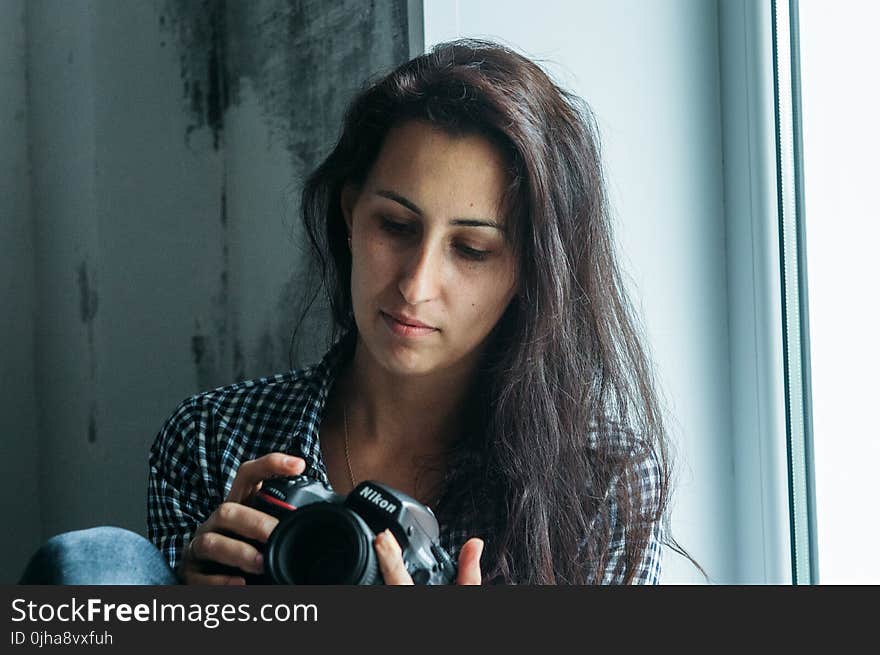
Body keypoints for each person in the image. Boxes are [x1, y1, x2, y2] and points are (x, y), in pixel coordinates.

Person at [20, 38, 701, 586]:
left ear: (529, 273)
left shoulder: (601, 485)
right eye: (396, 227)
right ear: (351, 215)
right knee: (95, 564)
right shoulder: (211, 439)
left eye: (470, 249)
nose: (415, 283)